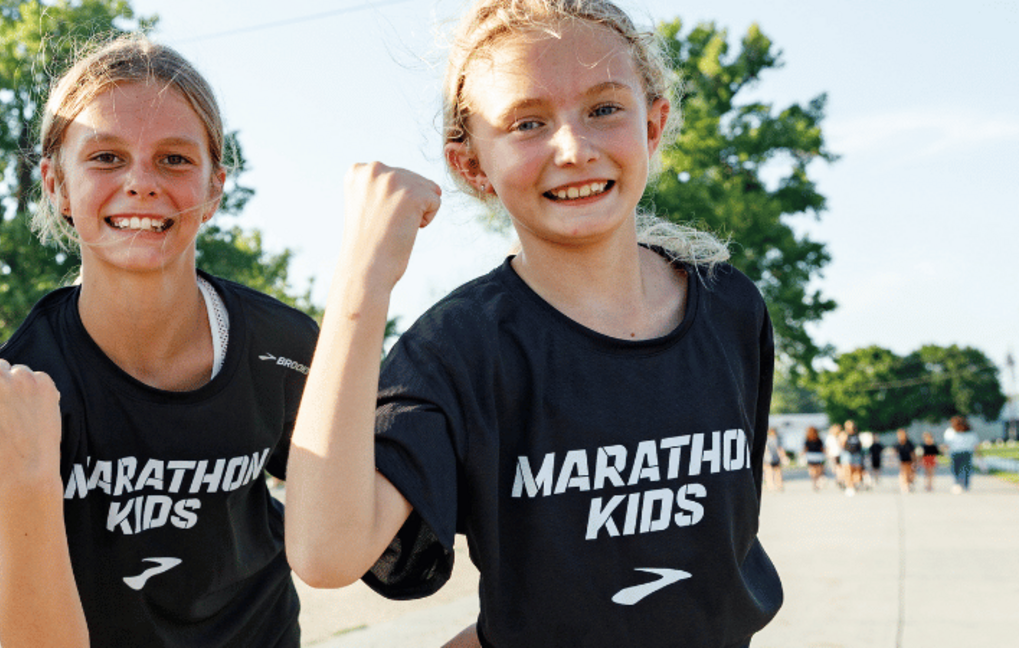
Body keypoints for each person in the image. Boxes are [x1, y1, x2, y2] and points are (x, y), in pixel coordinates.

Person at [283, 1, 782, 645]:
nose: (573, 149)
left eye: (604, 109)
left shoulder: (732, 308)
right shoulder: (458, 348)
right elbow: (326, 553)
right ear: (471, 165)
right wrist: (361, 278)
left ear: (653, 125)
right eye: (527, 122)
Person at [0, 35, 315, 647]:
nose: (142, 183)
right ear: (57, 184)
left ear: (214, 187)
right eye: (105, 158)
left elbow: (344, 535)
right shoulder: (18, 388)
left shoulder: (282, 344)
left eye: (174, 159)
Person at [943, 415, 980, 493]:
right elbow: (947, 444)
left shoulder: (970, 433)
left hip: (967, 453)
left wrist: (979, 454)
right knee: (955, 469)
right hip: (955, 453)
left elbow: (975, 445)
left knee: (966, 469)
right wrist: (945, 452)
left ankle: (965, 484)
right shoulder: (950, 432)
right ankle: (957, 483)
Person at [803, 426, 827, 492]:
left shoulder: (807, 439)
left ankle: (814, 482)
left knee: (812, 470)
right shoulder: (819, 439)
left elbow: (805, 448)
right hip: (818, 456)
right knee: (819, 470)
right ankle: (818, 481)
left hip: (810, 456)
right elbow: (822, 448)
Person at [765, 428, 788, 492]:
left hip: (769, 458)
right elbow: (780, 449)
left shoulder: (766, 439)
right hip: (774, 457)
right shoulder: (777, 439)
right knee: (777, 472)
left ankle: (771, 485)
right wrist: (783, 456)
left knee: (769, 472)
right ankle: (779, 485)